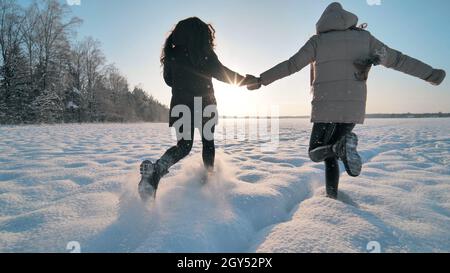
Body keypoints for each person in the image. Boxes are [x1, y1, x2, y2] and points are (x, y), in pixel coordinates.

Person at [248, 2, 446, 199]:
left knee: (317, 152)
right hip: (353, 107)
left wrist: (261, 80)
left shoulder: (317, 41)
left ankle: (336, 161)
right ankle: (331, 195)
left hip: (326, 106)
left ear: (323, 22)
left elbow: (291, 65)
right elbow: (398, 60)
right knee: (331, 154)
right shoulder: (365, 39)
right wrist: (430, 74)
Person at [138, 17, 259, 200]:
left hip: (180, 104)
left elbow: (168, 80)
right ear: (202, 34)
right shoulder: (204, 52)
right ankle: (208, 178)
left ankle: (158, 169)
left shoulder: (172, 54)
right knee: (207, 142)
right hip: (204, 104)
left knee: (183, 146)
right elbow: (223, 74)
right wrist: (247, 80)